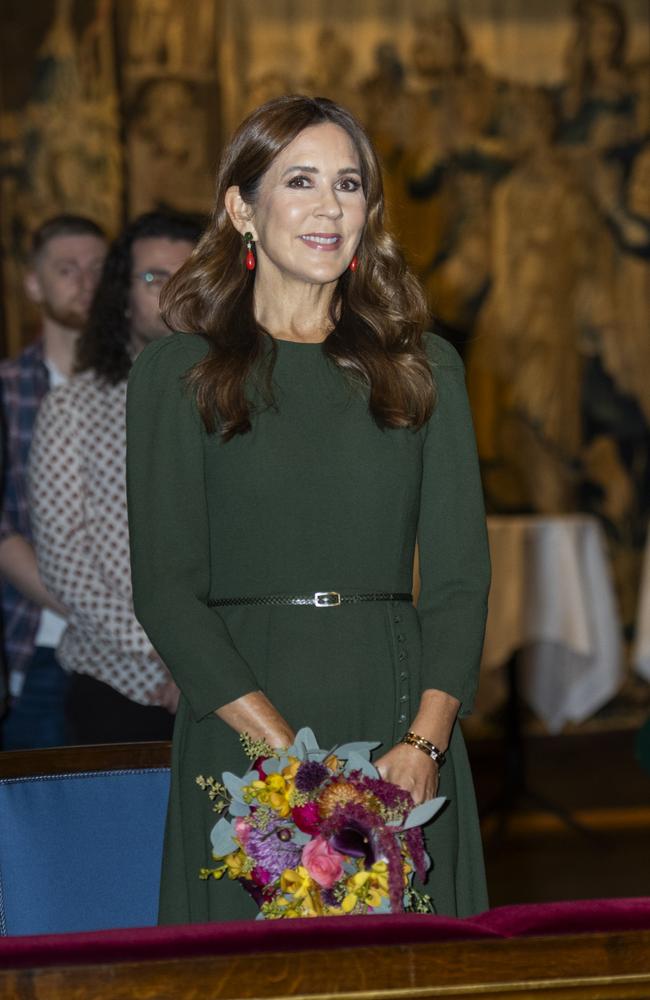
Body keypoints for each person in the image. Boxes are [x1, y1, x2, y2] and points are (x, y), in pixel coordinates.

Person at [126, 95, 490, 924]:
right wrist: (288, 760)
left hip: (404, 729)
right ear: (242, 207)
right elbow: (168, 592)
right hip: (244, 725)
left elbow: (462, 579)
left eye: (349, 184)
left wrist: (426, 743)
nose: (330, 206)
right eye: (301, 180)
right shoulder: (179, 374)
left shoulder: (423, 366)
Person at [28, 211, 202, 745]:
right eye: (154, 278)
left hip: (239, 682)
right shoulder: (72, 408)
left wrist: (210, 660)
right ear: (122, 294)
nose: (174, 292)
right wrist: (172, 652)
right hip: (116, 681)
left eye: (190, 276)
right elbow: (65, 563)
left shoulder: (249, 401)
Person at [0, 214, 107, 749]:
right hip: (37, 642)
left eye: (97, 269)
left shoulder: (146, 388)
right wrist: (100, 614)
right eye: (67, 270)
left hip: (142, 655)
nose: (85, 283)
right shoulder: (8, 390)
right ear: (34, 283)